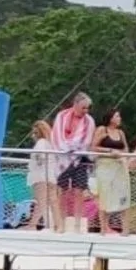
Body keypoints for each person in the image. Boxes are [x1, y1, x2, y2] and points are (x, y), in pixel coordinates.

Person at [51, 92, 97, 233]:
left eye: (87, 108)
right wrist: (67, 147)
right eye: (83, 108)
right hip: (62, 158)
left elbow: (87, 140)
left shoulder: (89, 121)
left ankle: (77, 225)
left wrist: (75, 146)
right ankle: (61, 224)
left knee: (78, 191)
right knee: (62, 191)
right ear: (75, 104)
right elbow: (57, 135)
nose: (85, 111)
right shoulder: (62, 116)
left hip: (80, 158)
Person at [92, 109, 131, 234]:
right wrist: (109, 151)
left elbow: (125, 149)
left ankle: (125, 229)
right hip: (105, 165)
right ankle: (103, 227)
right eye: (117, 116)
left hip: (119, 166)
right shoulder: (102, 130)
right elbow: (93, 147)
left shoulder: (120, 132)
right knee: (105, 195)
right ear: (110, 118)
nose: (119, 118)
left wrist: (123, 156)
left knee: (123, 194)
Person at [25, 119, 60, 230]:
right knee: (51, 201)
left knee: (41, 202)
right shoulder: (50, 144)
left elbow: (40, 157)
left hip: (40, 175)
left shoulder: (40, 143)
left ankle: (47, 225)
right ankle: (54, 224)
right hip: (51, 175)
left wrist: (37, 162)